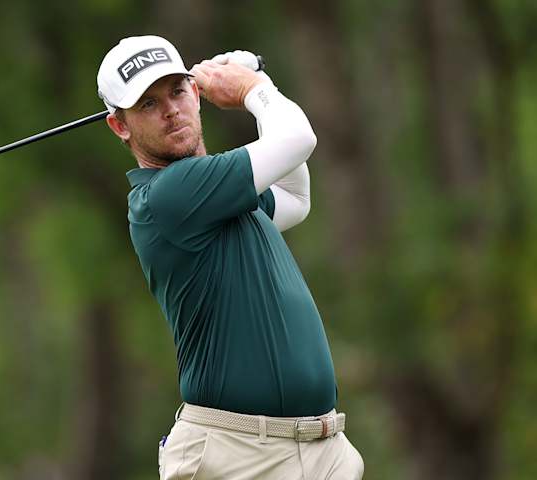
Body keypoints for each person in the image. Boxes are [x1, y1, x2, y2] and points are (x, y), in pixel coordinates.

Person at [97, 35, 364, 480]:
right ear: (120, 126)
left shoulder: (218, 195)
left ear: (195, 94)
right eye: (147, 104)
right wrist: (252, 89)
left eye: (177, 91)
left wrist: (260, 85)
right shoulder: (169, 196)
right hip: (239, 456)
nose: (170, 110)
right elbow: (298, 137)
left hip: (320, 451)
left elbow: (296, 197)